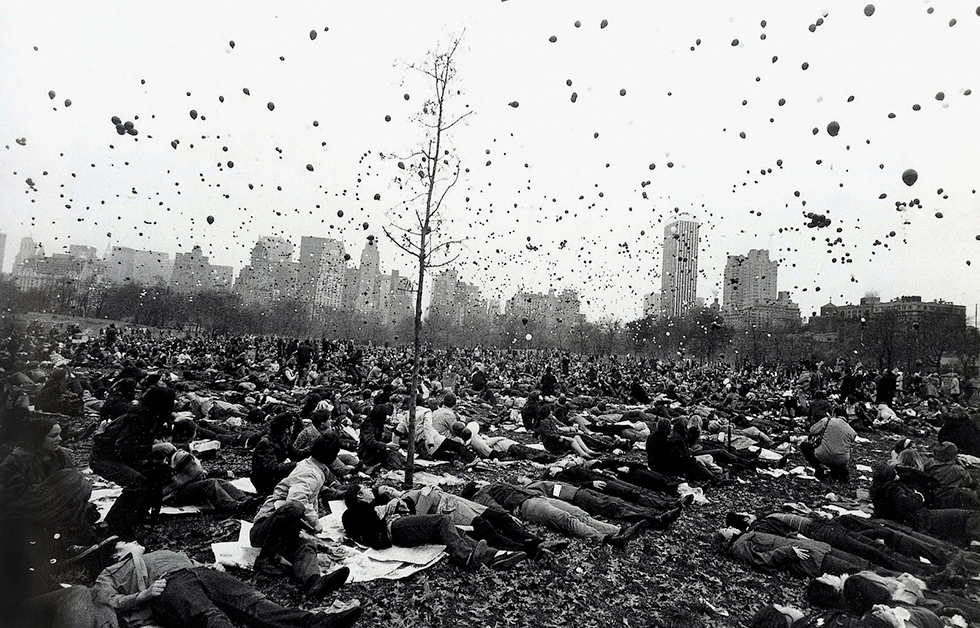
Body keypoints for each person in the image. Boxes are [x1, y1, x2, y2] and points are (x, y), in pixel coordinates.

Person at [94, 542, 361, 628]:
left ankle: (316, 623)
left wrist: (210, 567)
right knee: (212, 617)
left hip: (198, 572)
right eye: (124, 542)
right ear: (119, 554)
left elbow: (195, 562)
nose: (132, 540)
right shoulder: (112, 571)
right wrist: (142, 595)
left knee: (253, 601)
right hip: (167, 586)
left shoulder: (165, 551)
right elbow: (105, 602)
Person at [250, 434, 351, 599]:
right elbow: (296, 500)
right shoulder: (310, 472)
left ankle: (314, 582)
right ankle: (265, 558)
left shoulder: (314, 467)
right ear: (332, 457)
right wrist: (315, 522)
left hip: (282, 533)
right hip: (264, 530)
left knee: (306, 546)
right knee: (295, 507)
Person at [341, 484, 526, 570]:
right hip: (394, 529)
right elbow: (364, 532)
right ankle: (466, 557)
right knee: (442, 521)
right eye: (364, 487)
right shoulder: (352, 513)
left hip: (401, 524)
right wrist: (378, 514)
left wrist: (395, 503)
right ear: (359, 495)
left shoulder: (379, 502)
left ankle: (496, 556)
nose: (369, 489)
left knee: (453, 531)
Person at [90, 386, 176, 538]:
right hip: (104, 458)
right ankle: (112, 525)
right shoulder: (135, 418)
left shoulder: (152, 417)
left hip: (121, 457)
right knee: (137, 482)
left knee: (158, 473)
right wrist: (156, 447)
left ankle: (136, 516)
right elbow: (124, 449)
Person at [461, 481, 644, 548]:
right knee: (564, 519)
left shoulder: (493, 485)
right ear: (476, 487)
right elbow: (494, 508)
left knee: (578, 513)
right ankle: (605, 539)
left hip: (536, 497)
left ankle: (618, 530)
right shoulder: (481, 495)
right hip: (526, 505)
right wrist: (510, 517)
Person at [712, 526, 881, 579]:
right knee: (858, 571)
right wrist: (790, 551)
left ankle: (900, 579)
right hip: (811, 559)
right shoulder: (739, 547)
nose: (730, 527)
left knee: (863, 563)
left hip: (816, 548)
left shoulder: (745, 536)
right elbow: (763, 560)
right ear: (725, 540)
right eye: (726, 529)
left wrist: (796, 538)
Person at [522, 478, 682, 529]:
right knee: (613, 508)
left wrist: (589, 483)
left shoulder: (542, 479)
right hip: (575, 498)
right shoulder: (529, 489)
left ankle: (658, 513)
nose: (522, 478)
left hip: (580, 490)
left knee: (616, 502)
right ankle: (656, 521)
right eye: (521, 480)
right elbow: (550, 501)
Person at [250, 412, 298, 495]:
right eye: (292, 425)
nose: (293, 427)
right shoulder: (266, 443)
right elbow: (272, 468)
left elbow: (295, 454)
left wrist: (313, 450)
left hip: (275, 476)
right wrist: (295, 465)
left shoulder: (284, 438)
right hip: (264, 481)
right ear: (286, 428)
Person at [799, 413, 856, 482]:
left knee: (805, 446)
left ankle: (818, 469)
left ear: (835, 414)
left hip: (823, 455)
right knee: (838, 455)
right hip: (841, 459)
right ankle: (838, 471)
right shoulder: (852, 432)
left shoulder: (827, 421)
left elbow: (812, 430)